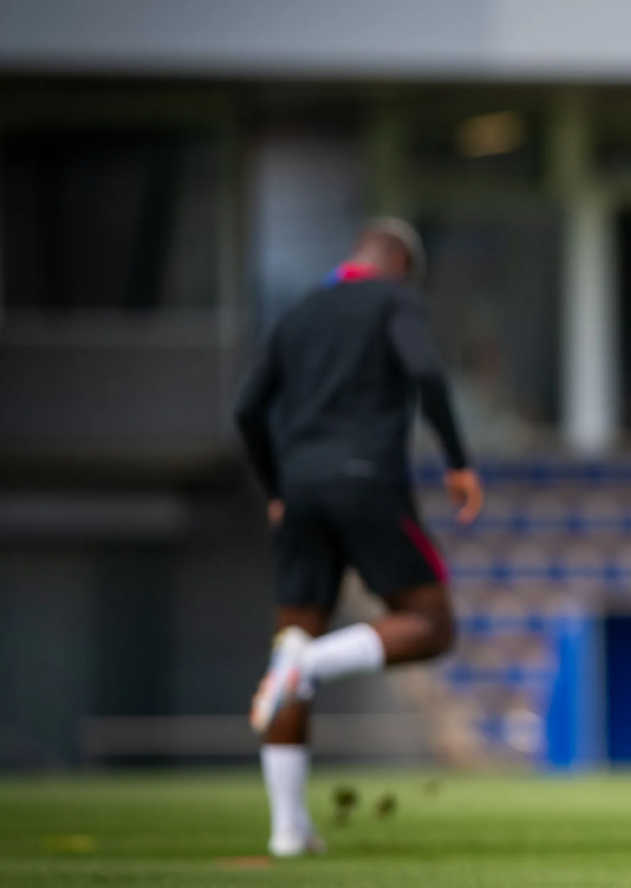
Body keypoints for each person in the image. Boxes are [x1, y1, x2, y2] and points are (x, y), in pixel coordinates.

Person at [235, 219, 483, 858]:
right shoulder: (396, 296)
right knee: (432, 623)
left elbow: (247, 409)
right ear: (399, 261)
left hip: (299, 489)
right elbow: (427, 372)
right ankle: (305, 666)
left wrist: (275, 489)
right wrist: (458, 461)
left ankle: (288, 831)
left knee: (294, 632)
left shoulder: (300, 313)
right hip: (368, 481)